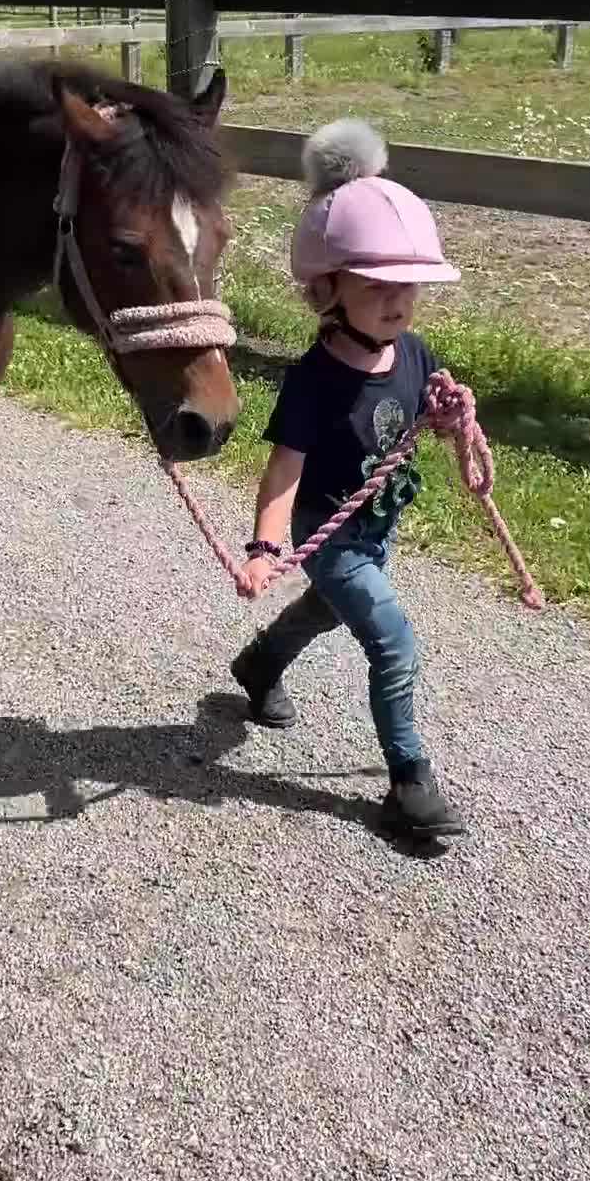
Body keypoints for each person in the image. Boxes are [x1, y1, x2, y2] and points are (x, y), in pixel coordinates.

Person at [231, 117, 466, 843]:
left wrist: (451, 415)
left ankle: (260, 663)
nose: (397, 305)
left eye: (408, 290)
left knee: (327, 611)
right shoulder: (315, 381)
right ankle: (408, 779)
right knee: (392, 642)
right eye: (376, 289)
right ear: (326, 290)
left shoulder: (413, 351)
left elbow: (425, 416)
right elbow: (283, 471)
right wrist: (267, 548)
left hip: (378, 526)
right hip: (331, 536)